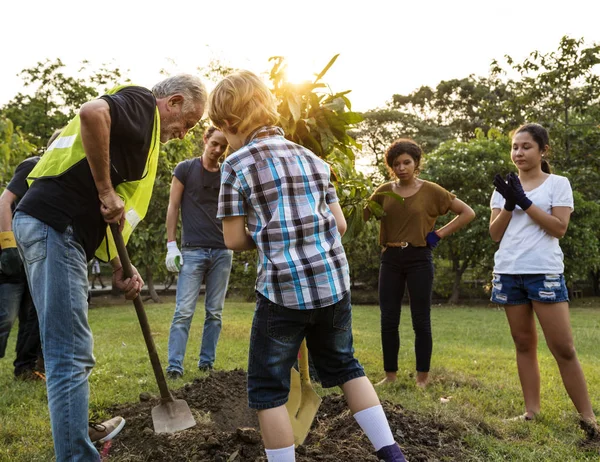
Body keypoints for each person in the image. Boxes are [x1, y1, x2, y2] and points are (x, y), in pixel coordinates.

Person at [210, 70, 407, 462]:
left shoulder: (236, 165)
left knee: (267, 389)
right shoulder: (312, 158)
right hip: (333, 285)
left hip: (283, 292)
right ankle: (392, 454)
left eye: (222, 131)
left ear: (230, 124)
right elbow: (341, 224)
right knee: (348, 367)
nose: (224, 141)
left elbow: (232, 240)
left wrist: (267, 235)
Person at [12, 74, 207, 461]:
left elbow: (112, 215)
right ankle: (77, 455)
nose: (184, 134)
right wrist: (104, 189)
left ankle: (75, 436)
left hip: (58, 229)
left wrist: (120, 265)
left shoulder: (143, 140)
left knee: (68, 349)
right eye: (187, 123)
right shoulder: (141, 105)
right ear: (174, 101)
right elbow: (92, 113)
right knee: (70, 353)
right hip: (56, 225)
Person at [489, 123, 599, 437]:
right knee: (523, 344)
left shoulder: (557, 184)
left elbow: (558, 228)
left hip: (544, 272)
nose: (519, 153)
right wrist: (509, 204)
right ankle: (531, 411)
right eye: (515, 147)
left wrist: (525, 202)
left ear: (543, 150)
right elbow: (495, 234)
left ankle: (589, 418)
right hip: (509, 271)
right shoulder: (503, 187)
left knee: (563, 347)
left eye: (526, 147)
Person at [364, 139, 475, 388]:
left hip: (419, 258)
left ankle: (422, 378)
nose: (402, 167)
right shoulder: (383, 191)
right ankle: (390, 375)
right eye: (396, 164)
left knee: (420, 320)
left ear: (416, 164)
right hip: (390, 258)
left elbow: (467, 212)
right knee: (388, 319)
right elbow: (362, 215)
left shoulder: (432, 190)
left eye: (406, 162)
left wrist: (438, 234)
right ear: (391, 167)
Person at [165, 126, 232, 379]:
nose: (217, 150)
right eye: (214, 143)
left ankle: (206, 364)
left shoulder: (227, 173)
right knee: (183, 311)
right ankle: (174, 366)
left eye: (222, 146)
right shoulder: (185, 169)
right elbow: (173, 207)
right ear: (205, 140)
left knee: (214, 312)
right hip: (192, 251)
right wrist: (172, 245)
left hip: (222, 251)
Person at [1, 156, 45, 382]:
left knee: (32, 315)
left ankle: (25, 368)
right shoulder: (33, 165)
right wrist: (8, 245)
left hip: (31, 255)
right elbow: (4, 202)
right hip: (11, 256)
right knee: (5, 317)